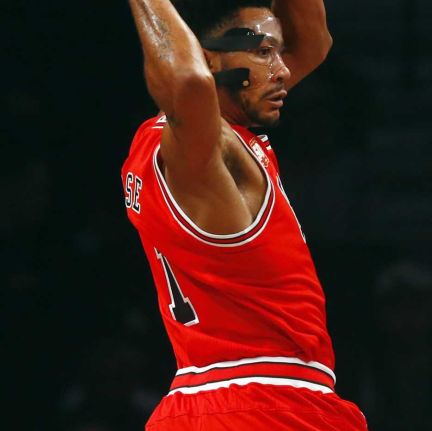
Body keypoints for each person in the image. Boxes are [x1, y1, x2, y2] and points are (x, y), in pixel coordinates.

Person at [123, 1, 367, 429]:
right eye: (263, 52)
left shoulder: (183, 140)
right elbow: (187, 81)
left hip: (196, 396)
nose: (284, 70)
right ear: (210, 58)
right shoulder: (209, 146)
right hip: (267, 396)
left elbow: (315, 40)